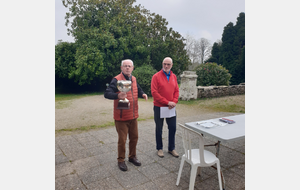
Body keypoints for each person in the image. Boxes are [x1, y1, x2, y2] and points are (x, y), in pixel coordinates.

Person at [104, 59, 148, 171]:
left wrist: (142, 93)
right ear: (121, 68)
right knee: (122, 140)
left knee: (134, 137)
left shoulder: (133, 79)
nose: (127, 68)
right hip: (121, 117)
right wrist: (117, 96)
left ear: (133, 68)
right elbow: (107, 93)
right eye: (125, 66)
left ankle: (132, 157)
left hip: (133, 115)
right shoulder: (116, 79)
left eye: (129, 66)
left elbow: (137, 88)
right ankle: (121, 160)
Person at [151, 57, 179, 158]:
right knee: (159, 128)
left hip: (171, 107)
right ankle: (159, 148)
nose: (166, 66)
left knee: (172, 127)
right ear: (162, 64)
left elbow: (176, 90)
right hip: (159, 107)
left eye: (168, 64)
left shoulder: (174, 76)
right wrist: (167, 102)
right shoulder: (156, 76)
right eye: (164, 64)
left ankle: (171, 148)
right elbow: (154, 93)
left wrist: (174, 101)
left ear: (172, 65)